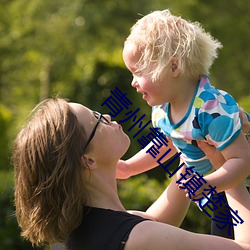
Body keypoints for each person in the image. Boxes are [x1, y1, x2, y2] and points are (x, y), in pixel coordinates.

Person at [13, 98, 250, 250]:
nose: (106, 116)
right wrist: (228, 164)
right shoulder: (138, 238)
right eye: (97, 120)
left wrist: (192, 137)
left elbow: (155, 221)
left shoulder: (72, 235)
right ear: (88, 160)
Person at [120, 9, 250, 238]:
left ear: (173, 67)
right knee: (157, 221)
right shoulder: (162, 108)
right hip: (208, 180)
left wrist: (207, 184)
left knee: (228, 240)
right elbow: (168, 142)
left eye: (138, 72)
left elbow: (241, 161)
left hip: (238, 185)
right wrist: (129, 167)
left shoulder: (210, 108)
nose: (133, 82)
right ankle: (129, 230)